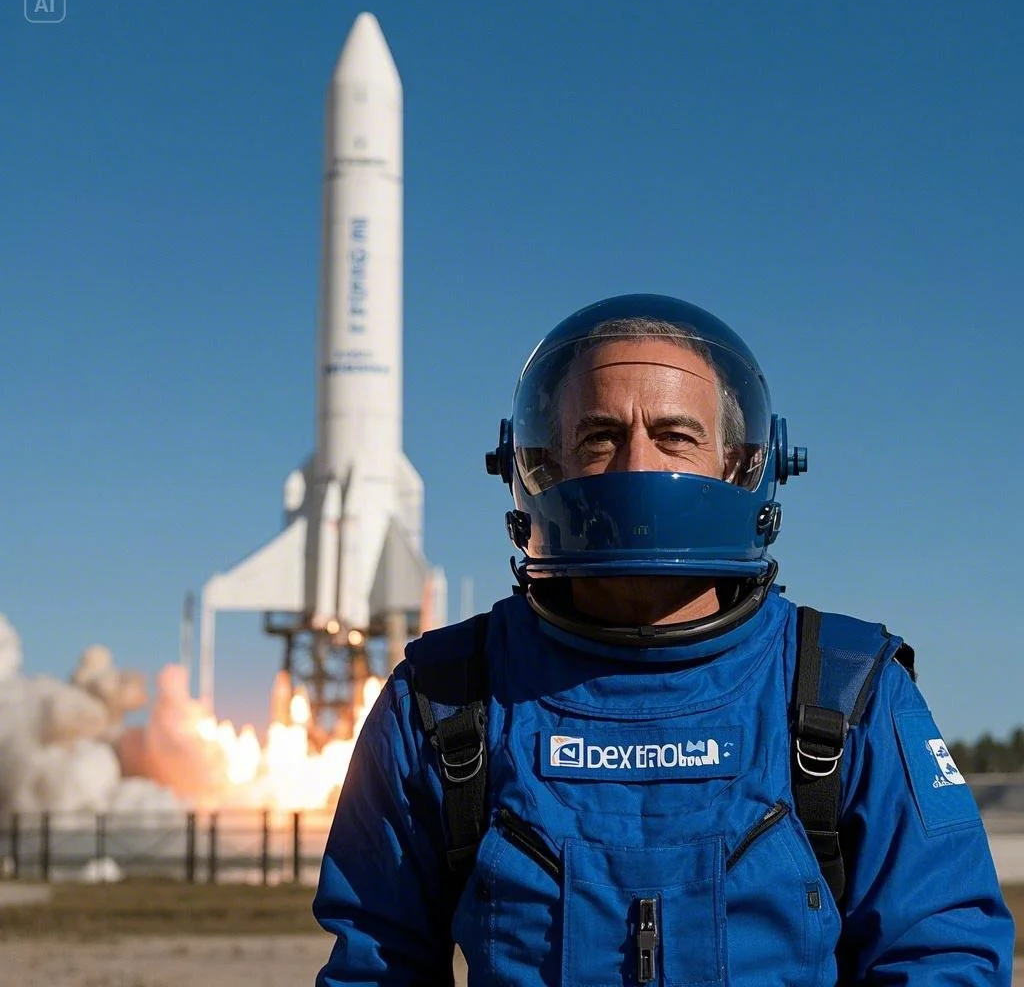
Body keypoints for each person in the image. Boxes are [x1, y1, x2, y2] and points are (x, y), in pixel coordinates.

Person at [313, 294, 1014, 985]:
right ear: (539, 464)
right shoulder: (441, 699)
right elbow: (375, 962)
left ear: (740, 465)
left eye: (676, 436)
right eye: (599, 437)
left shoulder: (848, 692)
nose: (637, 465)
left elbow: (940, 951)